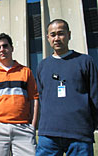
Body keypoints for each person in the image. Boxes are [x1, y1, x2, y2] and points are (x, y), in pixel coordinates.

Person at [36, 19, 98, 156]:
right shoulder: (42, 65)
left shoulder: (85, 61)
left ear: (69, 35)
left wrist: (91, 125)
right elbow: (42, 96)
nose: (56, 38)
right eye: (52, 35)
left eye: (61, 34)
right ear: (47, 38)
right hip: (48, 134)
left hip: (79, 134)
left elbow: (95, 96)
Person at [0, 33, 39, 156]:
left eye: (5, 46)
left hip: (23, 128)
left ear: (12, 48)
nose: (2, 50)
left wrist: (32, 126)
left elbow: (34, 100)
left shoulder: (26, 72)